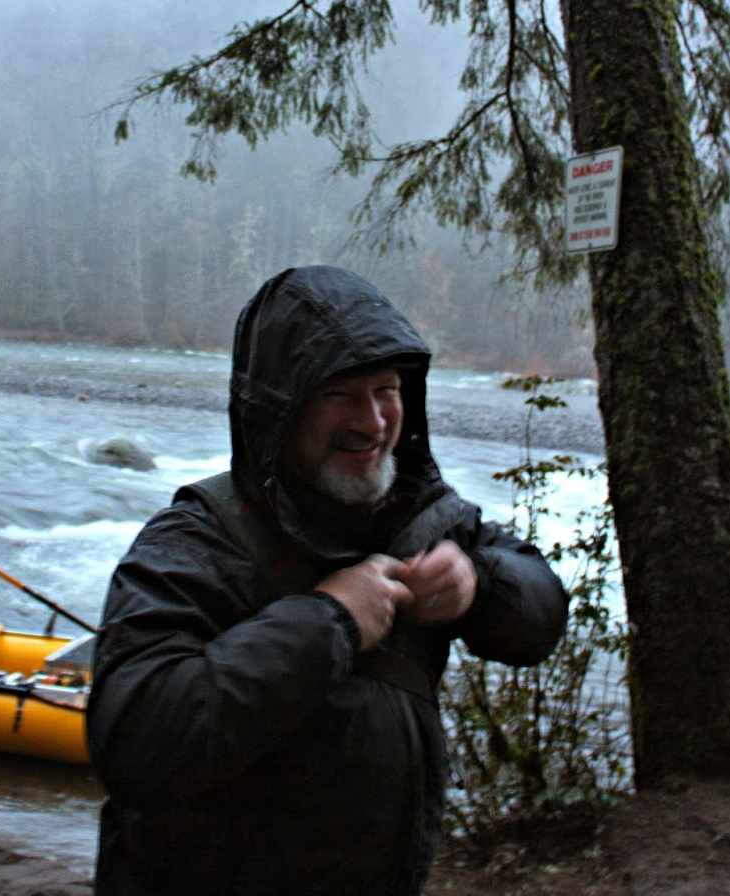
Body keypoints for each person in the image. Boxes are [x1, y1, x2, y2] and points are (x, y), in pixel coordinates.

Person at [87, 265, 569, 895]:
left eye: (387, 390)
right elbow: (135, 739)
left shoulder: (426, 516)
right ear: (279, 408)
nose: (371, 421)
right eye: (339, 394)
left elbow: (542, 618)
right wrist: (332, 620)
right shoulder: (196, 541)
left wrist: (478, 585)